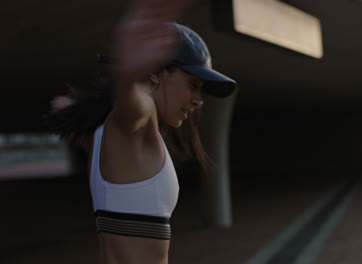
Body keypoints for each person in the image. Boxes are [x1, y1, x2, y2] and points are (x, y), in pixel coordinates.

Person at [46, 0, 236, 263]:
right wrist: (127, 76)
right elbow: (132, 106)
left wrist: (71, 108)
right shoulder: (139, 119)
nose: (199, 99)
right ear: (157, 74)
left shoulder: (101, 136)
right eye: (193, 84)